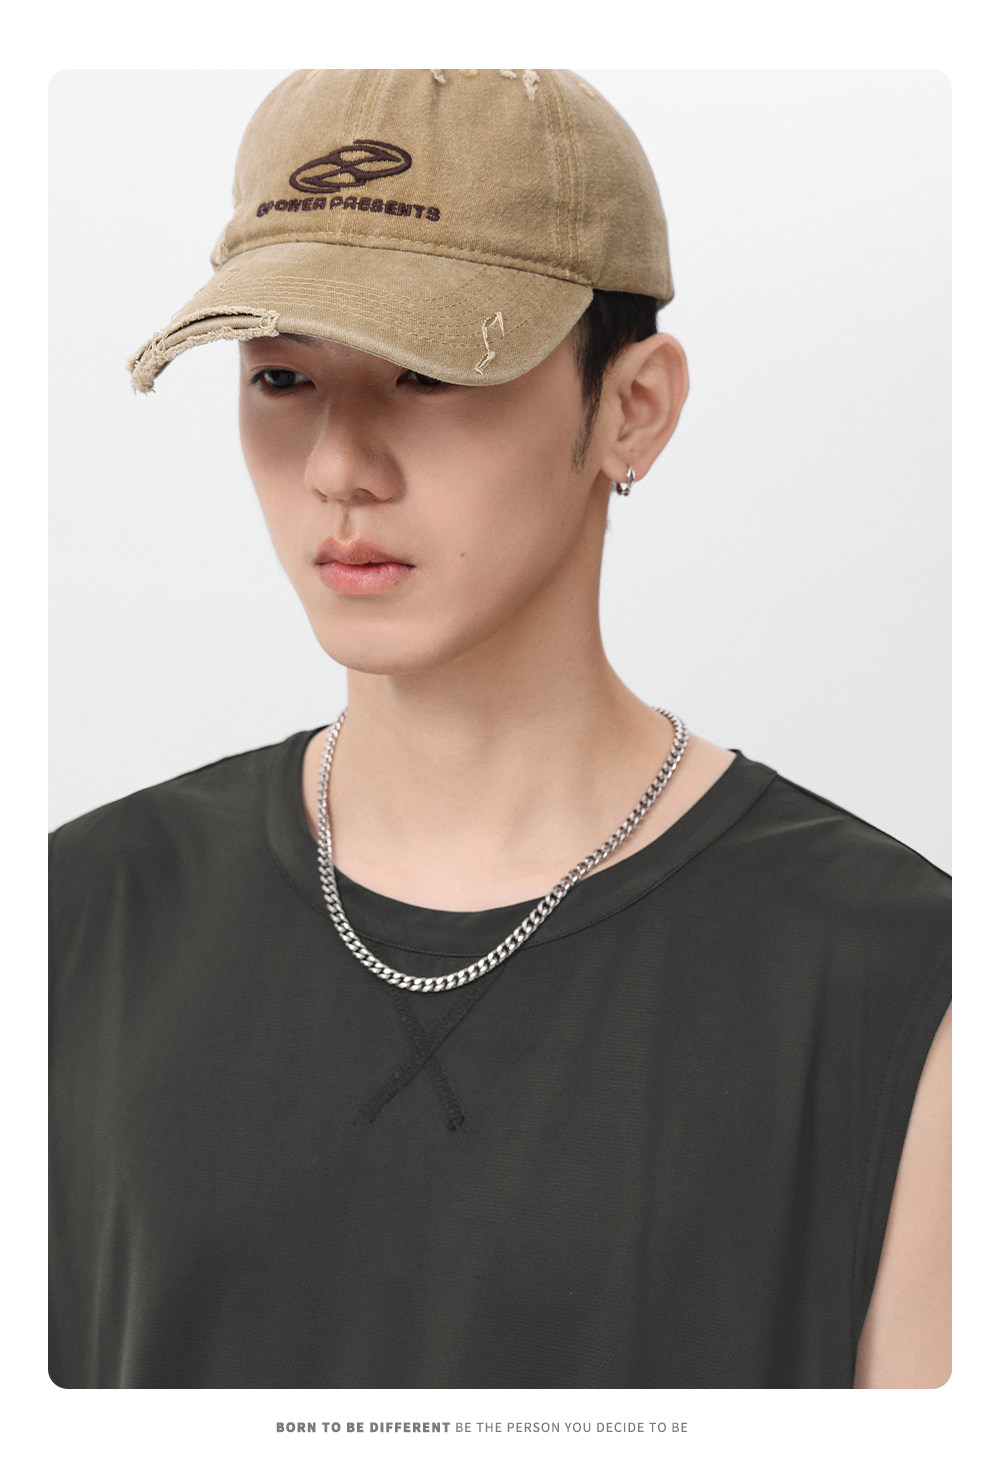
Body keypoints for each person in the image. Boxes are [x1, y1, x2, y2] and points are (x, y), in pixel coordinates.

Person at [48, 68, 950, 1390]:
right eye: (283, 375)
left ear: (632, 407)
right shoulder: (73, 919)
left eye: (429, 371)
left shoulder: (896, 980)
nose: (339, 466)